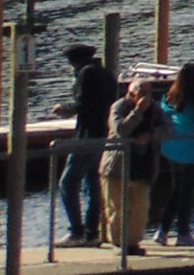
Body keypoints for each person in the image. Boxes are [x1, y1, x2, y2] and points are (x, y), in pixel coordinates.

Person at [54, 44, 113, 245]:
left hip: (87, 135)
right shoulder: (106, 74)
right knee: (93, 185)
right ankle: (91, 232)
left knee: (67, 182)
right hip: (104, 134)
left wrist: (64, 108)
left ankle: (76, 231)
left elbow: (84, 104)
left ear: (74, 60)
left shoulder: (86, 74)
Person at [102, 75, 166, 252]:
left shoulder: (156, 108)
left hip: (143, 165)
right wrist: (137, 112)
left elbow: (168, 129)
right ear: (131, 93)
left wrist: (151, 135)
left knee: (140, 208)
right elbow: (121, 130)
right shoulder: (119, 107)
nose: (145, 97)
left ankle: (133, 242)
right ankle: (118, 244)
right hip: (117, 165)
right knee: (117, 208)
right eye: (140, 92)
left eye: (148, 92)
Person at [157, 63, 194, 247]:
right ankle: (183, 233)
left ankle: (162, 230)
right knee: (188, 193)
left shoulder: (170, 96)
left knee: (176, 190)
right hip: (193, 149)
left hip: (173, 147)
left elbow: (164, 114)